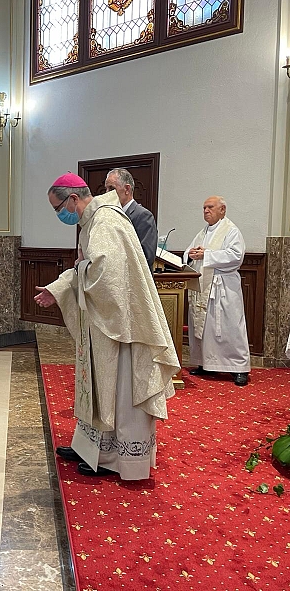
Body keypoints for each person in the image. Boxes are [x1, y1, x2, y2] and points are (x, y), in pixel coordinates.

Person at [34, 173, 179, 480]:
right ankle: (91, 446)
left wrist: (80, 268)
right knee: (97, 385)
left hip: (121, 328)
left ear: (74, 199)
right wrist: (58, 288)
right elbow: (88, 267)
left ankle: (115, 456)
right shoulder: (94, 221)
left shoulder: (105, 222)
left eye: (58, 207)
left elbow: (106, 276)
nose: (59, 214)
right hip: (105, 323)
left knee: (119, 387)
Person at [184, 196, 250, 386]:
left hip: (224, 288)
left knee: (229, 328)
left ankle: (239, 368)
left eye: (210, 207)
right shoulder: (203, 232)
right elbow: (190, 250)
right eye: (204, 207)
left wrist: (207, 254)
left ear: (222, 210)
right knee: (206, 329)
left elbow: (236, 256)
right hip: (204, 285)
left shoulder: (231, 231)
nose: (206, 210)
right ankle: (207, 363)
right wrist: (190, 254)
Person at [105, 168, 157, 270]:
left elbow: (146, 256)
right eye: (106, 189)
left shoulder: (143, 216)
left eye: (111, 189)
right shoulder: (110, 215)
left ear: (127, 189)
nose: (107, 193)